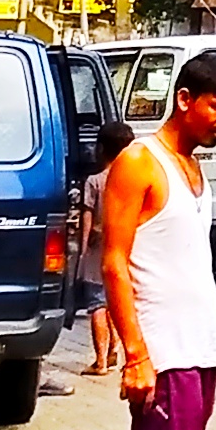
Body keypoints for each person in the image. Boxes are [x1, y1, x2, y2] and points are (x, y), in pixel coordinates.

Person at [102, 55, 216, 430]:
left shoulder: (194, 165)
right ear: (184, 99)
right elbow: (113, 263)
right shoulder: (139, 161)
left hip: (201, 352)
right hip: (164, 357)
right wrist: (136, 355)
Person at [80, 119, 137, 375]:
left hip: (97, 249)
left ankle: (100, 360)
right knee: (116, 301)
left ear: (100, 148)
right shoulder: (130, 179)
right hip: (124, 247)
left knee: (96, 305)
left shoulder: (94, 181)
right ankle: (117, 350)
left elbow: (87, 217)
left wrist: (82, 250)